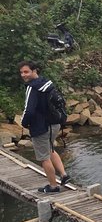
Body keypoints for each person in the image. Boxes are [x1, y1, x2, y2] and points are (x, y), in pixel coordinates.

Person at [19, 61, 71, 193]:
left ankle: (53, 186)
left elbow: (28, 110)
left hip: (41, 127)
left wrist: (24, 123)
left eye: (26, 72)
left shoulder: (32, 88)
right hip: (55, 123)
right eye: (21, 72)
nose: (23, 75)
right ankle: (64, 175)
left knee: (44, 158)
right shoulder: (47, 83)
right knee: (50, 149)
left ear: (34, 71)